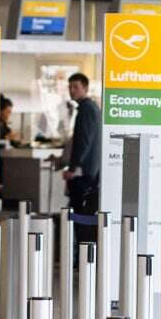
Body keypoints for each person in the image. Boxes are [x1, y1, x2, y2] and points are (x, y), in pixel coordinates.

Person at [63, 73, 101, 244]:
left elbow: (83, 142)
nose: (72, 90)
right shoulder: (89, 108)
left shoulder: (87, 110)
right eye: (70, 87)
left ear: (85, 88)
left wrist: (72, 169)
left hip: (84, 174)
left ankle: (79, 257)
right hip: (89, 171)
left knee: (80, 215)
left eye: (76, 87)